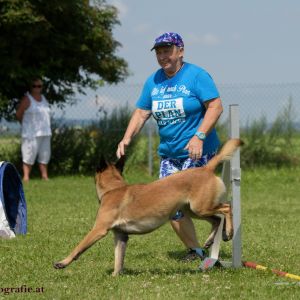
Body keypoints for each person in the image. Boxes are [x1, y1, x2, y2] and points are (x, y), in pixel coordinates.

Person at [116, 32, 223, 261]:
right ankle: (196, 251)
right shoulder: (154, 81)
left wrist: (199, 136)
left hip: (198, 152)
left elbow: (215, 106)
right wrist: (126, 138)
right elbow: (141, 112)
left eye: (168, 51)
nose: (163, 56)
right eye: (159, 52)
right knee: (170, 209)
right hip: (170, 156)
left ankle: (221, 218)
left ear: (180, 51)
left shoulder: (196, 76)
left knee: (195, 206)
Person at [16, 77, 52, 182]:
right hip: (31, 133)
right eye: (34, 86)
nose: (37, 88)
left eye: (39, 86)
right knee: (29, 155)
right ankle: (26, 177)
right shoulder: (27, 99)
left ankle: (44, 176)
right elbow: (19, 114)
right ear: (31, 87)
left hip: (45, 132)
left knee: (45, 155)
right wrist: (25, 125)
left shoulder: (44, 98)